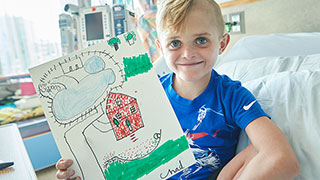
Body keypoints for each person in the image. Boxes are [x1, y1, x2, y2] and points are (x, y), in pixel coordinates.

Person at [56, 0, 300, 179]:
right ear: (161, 48)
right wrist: (82, 169)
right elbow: (121, 155)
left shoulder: (232, 96)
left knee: (255, 146)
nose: (188, 53)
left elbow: (282, 159)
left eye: (201, 40)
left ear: (222, 44)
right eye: (175, 43)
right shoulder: (147, 95)